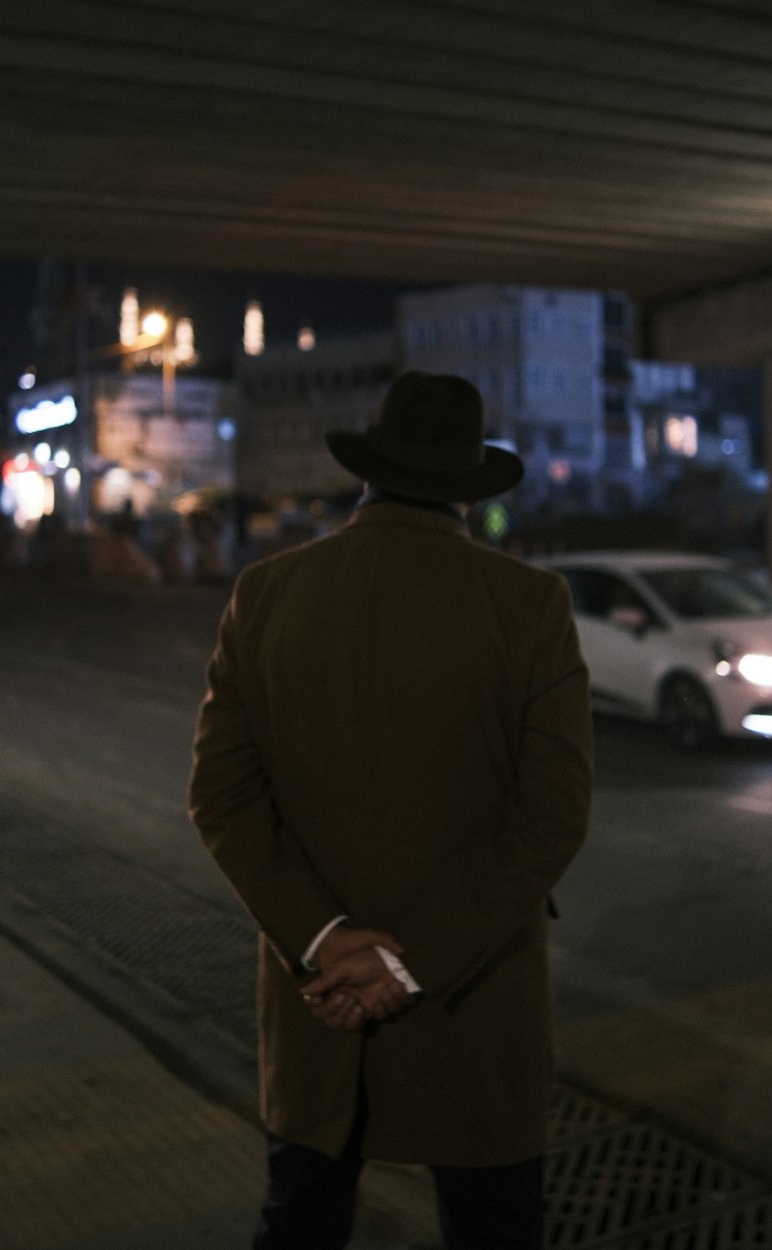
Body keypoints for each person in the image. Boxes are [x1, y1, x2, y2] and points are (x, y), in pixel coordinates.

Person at [188, 370, 593, 1249]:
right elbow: (552, 815)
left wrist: (326, 939)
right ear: (465, 488)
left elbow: (221, 796)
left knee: (300, 1218)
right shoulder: (530, 604)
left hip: (318, 1000)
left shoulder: (264, 593)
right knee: (494, 1228)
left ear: (366, 473)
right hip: (474, 1002)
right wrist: (410, 965)